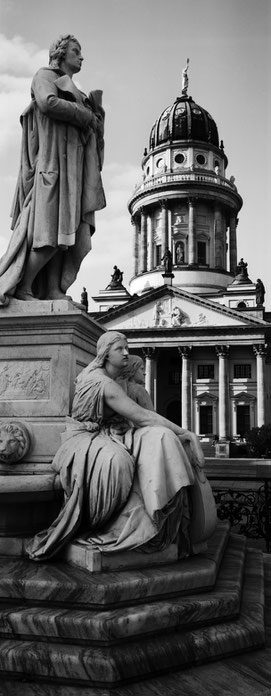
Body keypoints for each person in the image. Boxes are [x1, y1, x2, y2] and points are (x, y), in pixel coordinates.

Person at [26, 331, 216, 561]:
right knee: (119, 461)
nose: (127, 353)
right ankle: (110, 526)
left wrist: (177, 435)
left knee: (163, 438)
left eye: (127, 348)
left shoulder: (118, 379)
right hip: (85, 440)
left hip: (115, 432)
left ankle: (160, 519)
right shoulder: (103, 383)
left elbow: (141, 417)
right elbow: (142, 416)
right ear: (106, 354)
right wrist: (187, 433)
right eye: (120, 349)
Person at [0, 34, 105, 305]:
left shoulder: (77, 92)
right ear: (60, 54)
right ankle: (24, 288)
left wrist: (96, 117)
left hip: (73, 172)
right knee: (47, 236)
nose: (81, 56)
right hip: (52, 168)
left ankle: (53, 291)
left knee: (67, 238)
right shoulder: (44, 75)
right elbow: (47, 102)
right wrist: (84, 115)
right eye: (76, 51)